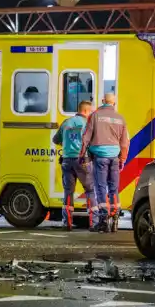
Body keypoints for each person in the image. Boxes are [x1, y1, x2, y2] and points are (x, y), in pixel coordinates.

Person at [80, 92, 129, 232]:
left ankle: (103, 220)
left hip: (99, 157)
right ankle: (115, 218)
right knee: (114, 188)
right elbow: (125, 142)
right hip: (114, 157)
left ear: (103, 101)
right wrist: (123, 159)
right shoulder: (121, 118)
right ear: (114, 103)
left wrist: (82, 155)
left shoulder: (94, 116)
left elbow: (86, 137)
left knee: (101, 187)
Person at [52, 100, 94, 230]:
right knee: (90, 190)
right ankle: (94, 222)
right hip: (82, 160)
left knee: (68, 192)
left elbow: (56, 139)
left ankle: (67, 223)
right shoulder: (87, 124)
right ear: (86, 111)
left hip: (67, 160)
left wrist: (67, 143)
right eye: (90, 112)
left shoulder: (66, 122)